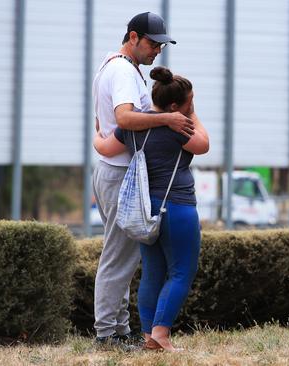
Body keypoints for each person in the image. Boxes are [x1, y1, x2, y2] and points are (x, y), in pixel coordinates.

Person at [92, 11, 196, 348]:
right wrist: (169, 118)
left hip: (114, 165)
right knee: (118, 256)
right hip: (120, 171)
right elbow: (123, 117)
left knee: (126, 256)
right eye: (153, 43)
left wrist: (98, 140)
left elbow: (108, 124)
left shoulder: (115, 66)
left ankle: (120, 329)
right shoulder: (123, 70)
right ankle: (108, 333)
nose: (157, 51)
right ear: (133, 37)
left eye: (161, 45)